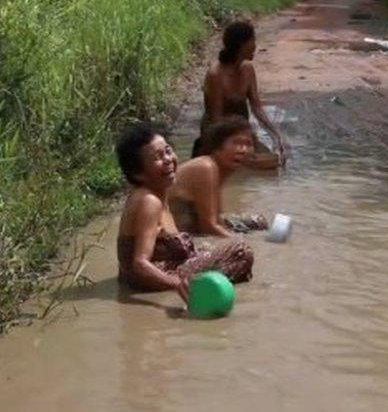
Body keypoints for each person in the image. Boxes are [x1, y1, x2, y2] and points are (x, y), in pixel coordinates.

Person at [115, 123, 253, 302]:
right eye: (157, 157)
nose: (168, 159)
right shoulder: (149, 201)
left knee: (208, 248)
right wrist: (176, 284)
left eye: (167, 150)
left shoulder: (158, 192)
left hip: (151, 276)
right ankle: (209, 291)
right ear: (139, 174)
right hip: (151, 281)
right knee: (241, 250)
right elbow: (140, 264)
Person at [194, 20, 286, 167]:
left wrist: (276, 135)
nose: (255, 46)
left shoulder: (248, 69)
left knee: (275, 162)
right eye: (252, 41)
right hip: (218, 136)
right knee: (247, 166)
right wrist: (235, 149)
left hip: (241, 133)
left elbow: (257, 108)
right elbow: (216, 120)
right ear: (240, 45)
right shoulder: (215, 75)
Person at [169, 116, 268, 237]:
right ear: (217, 147)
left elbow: (216, 220)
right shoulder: (206, 167)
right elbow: (209, 227)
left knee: (259, 222)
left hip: (191, 232)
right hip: (171, 240)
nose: (243, 150)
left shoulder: (220, 171)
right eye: (236, 143)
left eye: (248, 144)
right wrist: (244, 244)